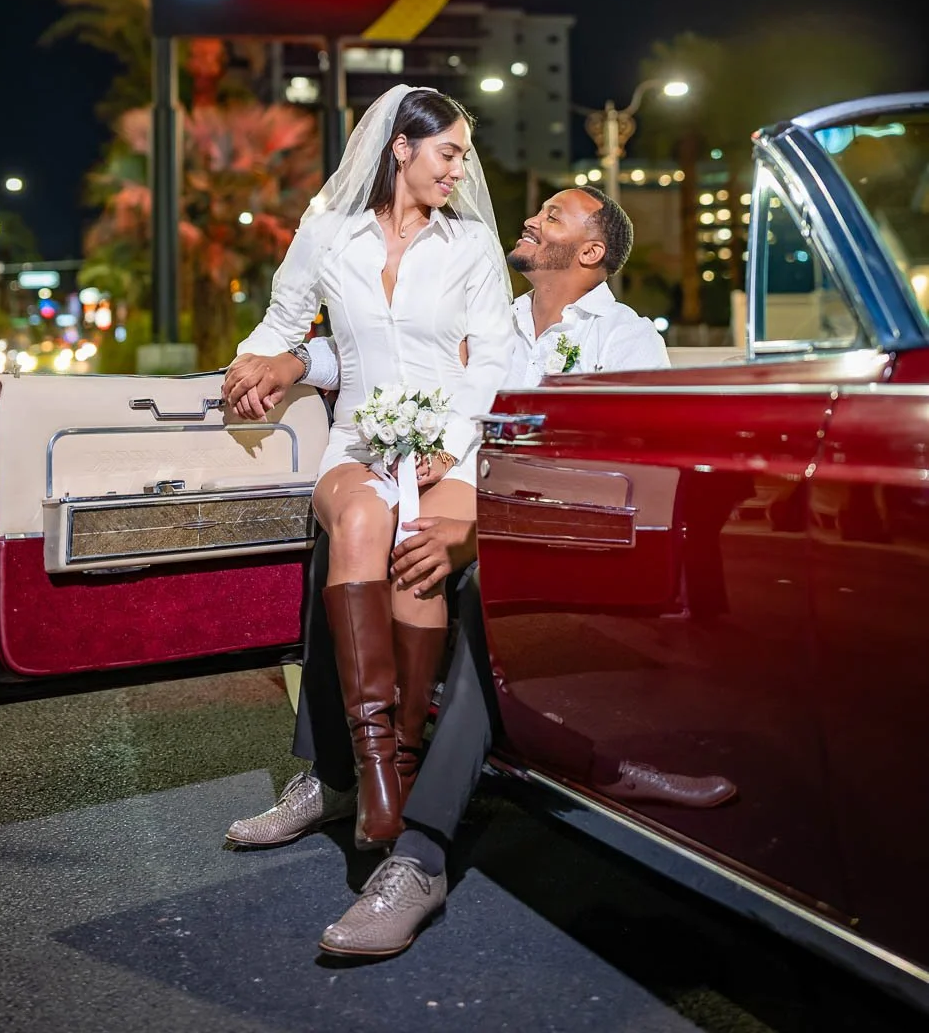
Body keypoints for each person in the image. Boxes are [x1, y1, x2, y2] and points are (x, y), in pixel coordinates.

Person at [225, 187, 735, 941]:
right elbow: (378, 345)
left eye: (554, 216)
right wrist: (295, 358)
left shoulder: (624, 340)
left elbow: (616, 479)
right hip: (453, 505)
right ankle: (334, 776)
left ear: (591, 251)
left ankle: (421, 854)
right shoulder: (482, 311)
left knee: (476, 592)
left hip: (548, 542)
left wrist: (478, 528)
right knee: (344, 531)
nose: (529, 220)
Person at [226, 84, 514, 850]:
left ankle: (401, 770)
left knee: (415, 551)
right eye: (447, 152)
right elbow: (283, 319)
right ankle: (377, 773)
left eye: (461, 155)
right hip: (355, 434)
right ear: (401, 149)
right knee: (358, 517)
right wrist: (260, 364)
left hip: (450, 441)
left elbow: (492, 358)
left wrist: (448, 443)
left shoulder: (471, 246)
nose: (459, 169)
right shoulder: (329, 234)